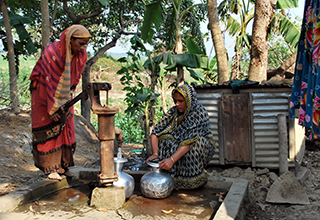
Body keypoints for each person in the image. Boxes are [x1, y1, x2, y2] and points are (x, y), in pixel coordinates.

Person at [29, 25, 90, 180]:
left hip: (64, 92)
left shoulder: (82, 55)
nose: (83, 48)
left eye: (86, 44)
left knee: (66, 125)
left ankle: (63, 166)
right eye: (80, 43)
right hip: (43, 93)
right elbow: (48, 81)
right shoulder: (52, 52)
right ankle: (50, 169)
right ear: (70, 40)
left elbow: (74, 80)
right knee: (49, 126)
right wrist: (54, 108)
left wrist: (67, 101)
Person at [146, 84, 216, 190]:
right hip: (181, 143)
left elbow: (188, 141)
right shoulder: (173, 112)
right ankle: (171, 178)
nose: (177, 104)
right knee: (166, 139)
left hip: (199, 145)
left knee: (196, 143)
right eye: (175, 101)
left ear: (189, 100)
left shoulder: (199, 113)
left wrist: (172, 159)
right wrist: (155, 153)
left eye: (180, 101)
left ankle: (193, 181)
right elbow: (156, 132)